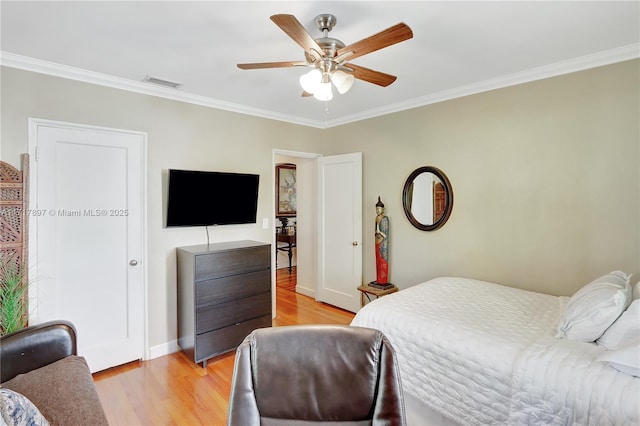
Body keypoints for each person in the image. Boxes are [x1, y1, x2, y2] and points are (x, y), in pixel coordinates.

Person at [374, 196, 390, 285]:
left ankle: (383, 281)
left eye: (379, 209)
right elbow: (375, 233)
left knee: (382, 261)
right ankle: (378, 280)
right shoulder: (376, 218)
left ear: (382, 209)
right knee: (377, 261)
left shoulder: (385, 219)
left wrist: (379, 232)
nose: (377, 211)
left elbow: (385, 235)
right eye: (376, 209)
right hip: (376, 241)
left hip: (383, 244)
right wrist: (376, 232)